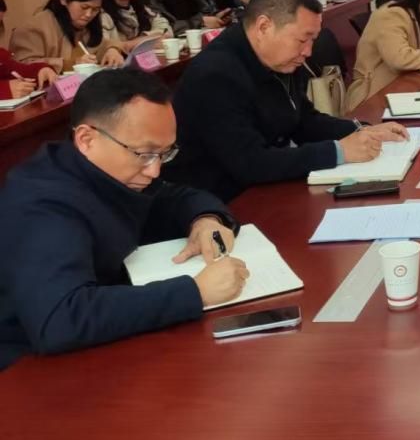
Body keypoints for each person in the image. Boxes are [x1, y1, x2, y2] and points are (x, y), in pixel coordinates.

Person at [0, 69, 249, 370]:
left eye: (165, 154)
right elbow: (61, 319)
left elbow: (172, 197)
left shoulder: (105, 170)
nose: (155, 170)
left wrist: (205, 219)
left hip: (99, 342)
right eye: (144, 154)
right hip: (29, 369)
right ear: (87, 139)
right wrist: (195, 292)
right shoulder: (42, 205)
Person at [164, 0, 408, 202]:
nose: (308, 52)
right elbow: (250, 162)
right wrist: (338, 151)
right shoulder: (215, 75)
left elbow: (303, 121)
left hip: (263, 190)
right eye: (302, 40)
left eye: (313, 40)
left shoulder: (280, 60)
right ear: (264, 27)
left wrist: (362, 130)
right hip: (216, 203)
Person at [10, 0, 125, 71]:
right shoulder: (34, 27)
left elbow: (102, 45)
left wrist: (112, 49)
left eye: (95, 9)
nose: (89, 14)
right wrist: (70, 64)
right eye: (84, 7)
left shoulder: (86, 23)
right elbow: (23, 65)